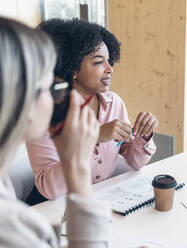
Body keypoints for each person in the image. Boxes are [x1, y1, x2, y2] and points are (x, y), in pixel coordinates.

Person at [0, 16, 110, 247]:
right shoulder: (12, 230)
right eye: (51, 87)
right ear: (21, 102)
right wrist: (77, 167)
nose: (59, 97)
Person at [26, 19, 159, 204]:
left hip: (97, 203)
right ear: (73, 69)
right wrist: (94, 138)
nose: (110, 69)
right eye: (98, 62)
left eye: (109, 61)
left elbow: (135, 162)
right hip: (48, 211)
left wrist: (143, 137)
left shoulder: (114, 104)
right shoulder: (45, 115)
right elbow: (49, 188)